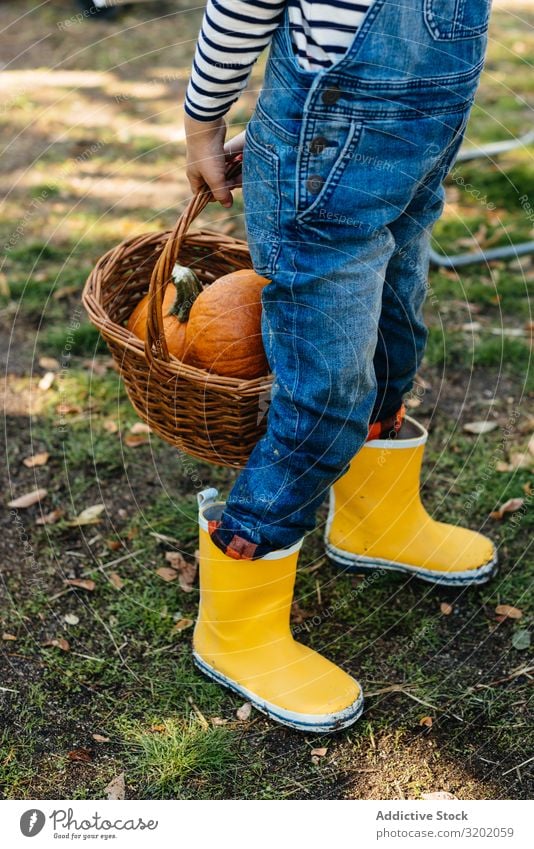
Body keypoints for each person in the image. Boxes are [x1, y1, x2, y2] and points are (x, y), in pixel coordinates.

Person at [184, 0, 496, 732]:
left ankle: (373, 519)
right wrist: (205, 119)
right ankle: (237, 610)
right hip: (324, 167)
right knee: (326, 399)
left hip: (412, 158)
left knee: (396, 342)